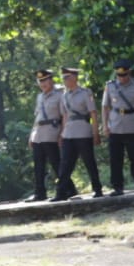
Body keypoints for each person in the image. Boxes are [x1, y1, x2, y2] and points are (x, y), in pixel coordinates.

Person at [101, 58, 134, 195]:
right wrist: (105, 125)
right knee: (115, 159)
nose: (121, 78)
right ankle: (117, 187)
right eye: (119, 75)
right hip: (116, 126)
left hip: (133, 126)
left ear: (129, 73)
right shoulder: (110, 86)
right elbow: (105, 107)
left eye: (124, 75)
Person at [53, 67, 103, 200]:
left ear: (75, 77)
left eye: (67, 77)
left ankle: (97, 189)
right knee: (65, 164)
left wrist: (95, 132)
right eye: (63, 78)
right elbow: (64, 116)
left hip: (83, 131)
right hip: (69, 132)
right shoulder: (64, 95)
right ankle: (60, 192)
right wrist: (62, 133)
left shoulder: (85, 93)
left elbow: (93, 113)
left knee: (89, 162)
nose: (65, 80)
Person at [27, 69, 65, 202]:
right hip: (39, 132)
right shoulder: (40, 97)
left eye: (45, 80)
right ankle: (39, 192)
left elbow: (64, 116)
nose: (42, 83)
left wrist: (62, 133)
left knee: (56, 162)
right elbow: (37, 116)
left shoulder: (60, 94)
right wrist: (32, 134)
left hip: (52, 131)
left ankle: (67, 188)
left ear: (51, 80)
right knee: (38, 164)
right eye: (40, 81)